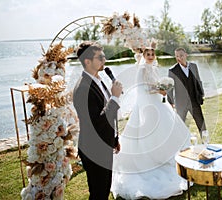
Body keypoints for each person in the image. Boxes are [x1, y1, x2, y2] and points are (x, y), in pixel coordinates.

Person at [111, 45, 191, 199]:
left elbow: (154, 85)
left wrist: (162, 89)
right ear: (143, 55)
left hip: (159, 103)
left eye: (153, 54)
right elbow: (141, 89)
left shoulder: (153, 68)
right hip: (148, 105)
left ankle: (169, 156)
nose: (151, 56)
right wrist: (158, 90)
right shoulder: (142, 70)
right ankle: (154, 159)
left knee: (169, 129)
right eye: (148, 54)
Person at [73, 41, 123, 200]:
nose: (104, 59)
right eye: (100, 57)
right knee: (99, 193)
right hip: (93, 148)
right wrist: (115, 97)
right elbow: (98, 121)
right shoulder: (83, 88)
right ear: (87, 61)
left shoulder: (98, 79)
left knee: (104, 189)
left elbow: (106, 113)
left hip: (104, 143)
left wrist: (114, 138)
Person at [167, 47, 207, 137]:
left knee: (201, 123)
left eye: (181, 55)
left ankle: (206, 142)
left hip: (194, 101)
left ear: (186, 55)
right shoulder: (172, 70)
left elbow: (198, 81)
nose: (179, 58)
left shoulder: (193, 66)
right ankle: (180, 144)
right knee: (180, 125)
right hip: (181, 103)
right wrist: (171, 102)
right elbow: (170, 88)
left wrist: (201, 94)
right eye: (177, 56)